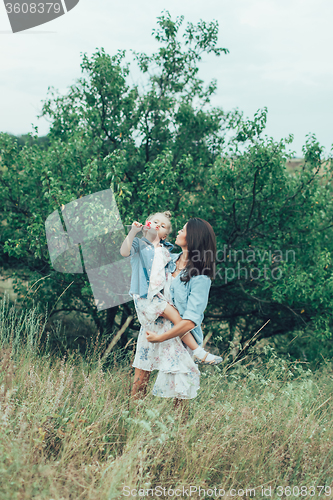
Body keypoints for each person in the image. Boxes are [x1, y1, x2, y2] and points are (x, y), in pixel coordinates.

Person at [121, 215, 218, 400]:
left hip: (178, 335)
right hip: (152, 327)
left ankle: (179, 429)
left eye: (183, 230)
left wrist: (162, 338)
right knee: (139, 384)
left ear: (193, 238)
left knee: (179, 393)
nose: (179, 231)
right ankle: (133, 424)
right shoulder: (167, 258)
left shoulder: (200, 277)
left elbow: (191, 320)